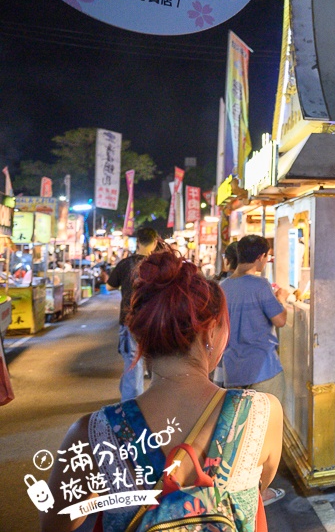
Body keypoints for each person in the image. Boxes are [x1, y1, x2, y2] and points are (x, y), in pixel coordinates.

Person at [40, 250, 284, 532]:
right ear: (209, 333)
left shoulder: (92, 434)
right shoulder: (262, 414)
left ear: (137, 334)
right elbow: (260, 484)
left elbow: (55, 525)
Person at [220, 235, 289, 403]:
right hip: (263, 370)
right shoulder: (260, 285)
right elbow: (280, 320)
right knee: (268, 425)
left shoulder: (222, 288)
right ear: (261, 257)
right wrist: (281, 299)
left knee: (239, 426)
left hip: (233, 371)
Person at [107, 227, 162, 401]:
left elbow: (109, 286)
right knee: (151, 362)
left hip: (130, 319)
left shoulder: (125, 264)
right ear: (154, 243)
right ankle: (134, 397)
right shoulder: (158, 267)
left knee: (133, 362)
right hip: (152, 319)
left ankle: (132, 405)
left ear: (137, 242)